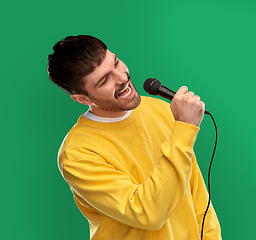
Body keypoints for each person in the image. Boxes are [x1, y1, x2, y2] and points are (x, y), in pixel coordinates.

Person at [47, 35, 221, 240]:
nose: (121, 78)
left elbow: (195, 193)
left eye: (116, 63)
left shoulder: (163, 109)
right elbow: (148, 214)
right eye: (104, 80)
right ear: (82, 98)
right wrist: (185, 131)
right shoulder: (77, 154)